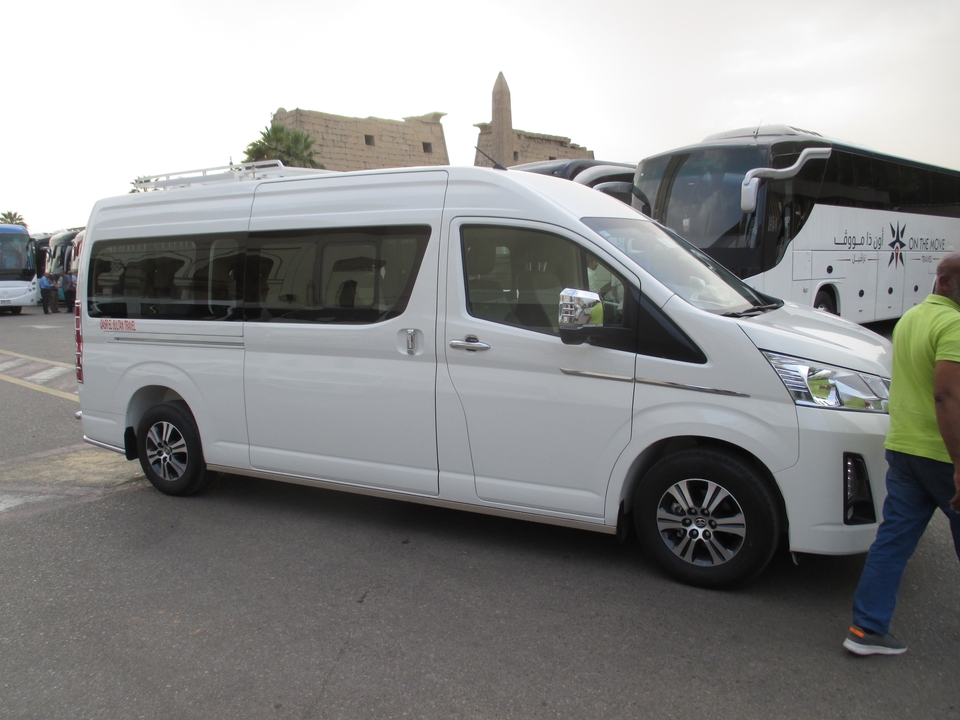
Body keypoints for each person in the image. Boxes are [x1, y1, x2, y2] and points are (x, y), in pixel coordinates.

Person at [843, 252, 960, 656]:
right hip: (942, 455)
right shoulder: (953, 326)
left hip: (905, 448)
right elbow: (946, 395)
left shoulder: (911, 318)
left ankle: (866, 629)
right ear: (945, 281)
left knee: (892, 541)